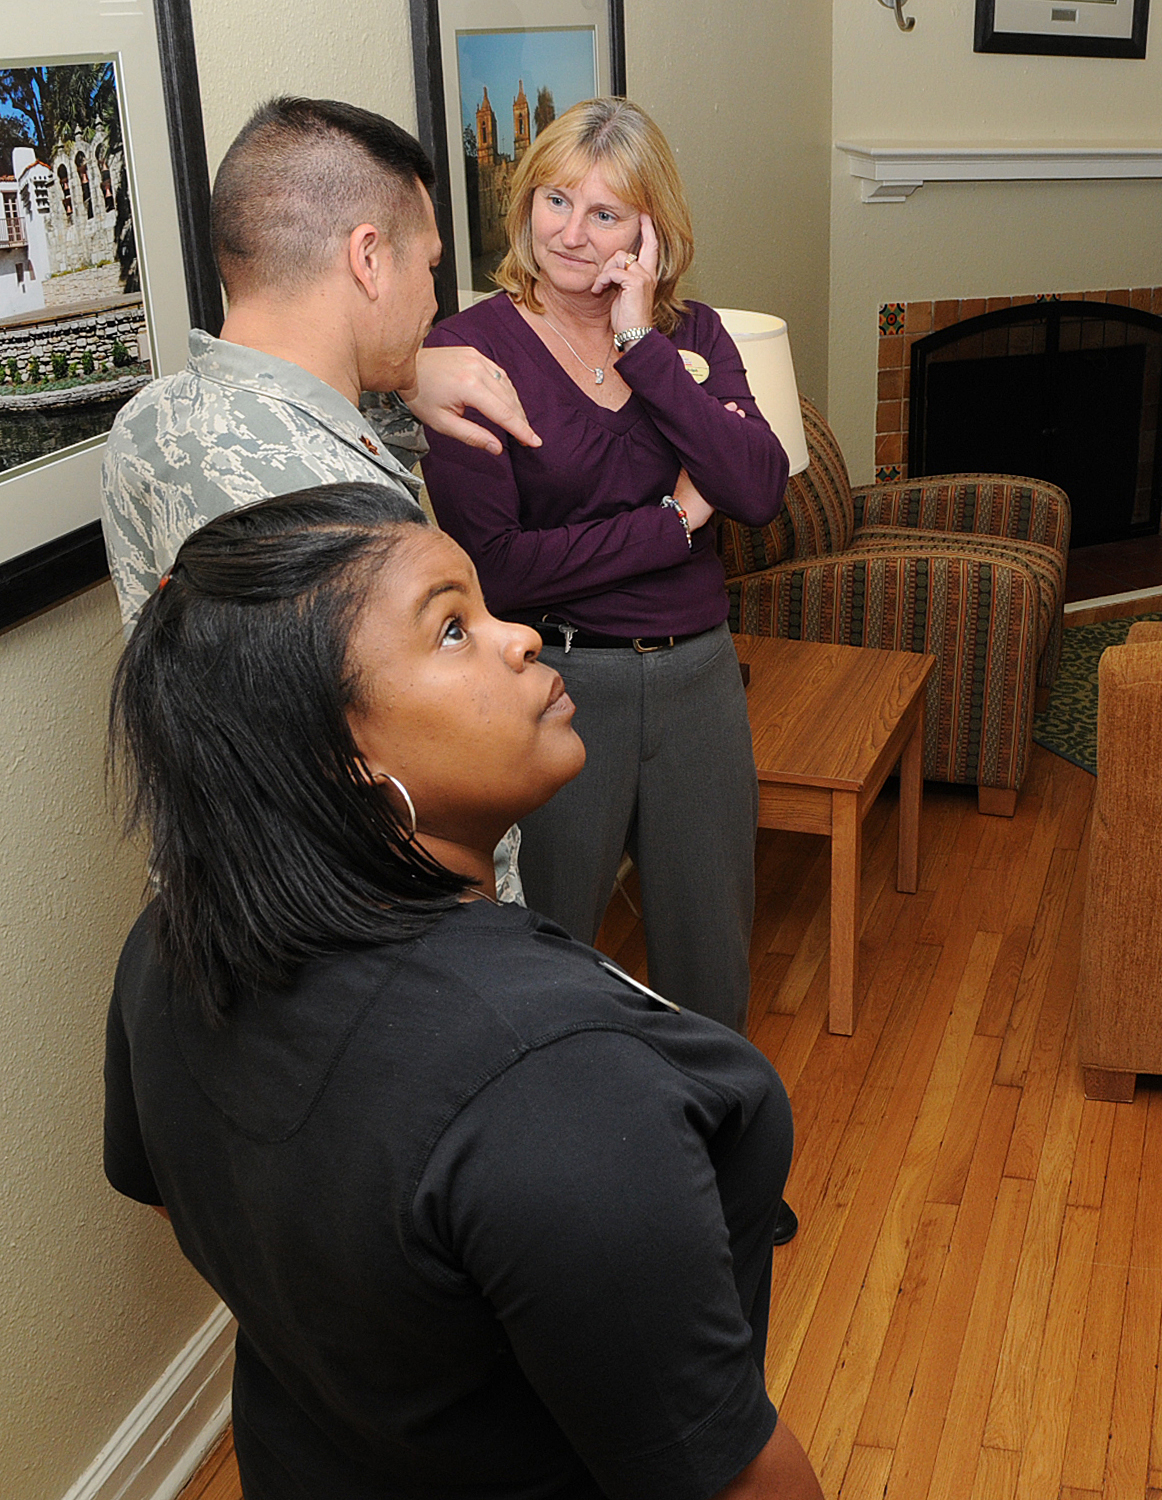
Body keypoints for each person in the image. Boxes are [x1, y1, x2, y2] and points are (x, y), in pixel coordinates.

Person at [103, 484, 821, 1499]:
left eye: (486, 608)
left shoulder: (167, 947)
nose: (521, 637)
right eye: (451, 628)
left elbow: (196, 1213)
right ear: (339, 756)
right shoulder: (556, 1092)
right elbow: (727, 1476)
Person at [418, 98, 788, 1045]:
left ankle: (716, 1155)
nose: (570, 235)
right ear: (525, 203)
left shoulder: (690, 337)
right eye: (553, 201)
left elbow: (755, 487)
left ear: (651, 231)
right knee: (549, 954)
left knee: (712, 959)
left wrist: (643, 346)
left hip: (699, 678)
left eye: (606, 214)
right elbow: (499, 570)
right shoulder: (472, 354)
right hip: (556, 683)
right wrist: (669, 522)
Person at [101, 96, 539, 631]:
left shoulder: (144, 423)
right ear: (369, 260)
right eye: (430, 265)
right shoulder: (356, 514)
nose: (433, 298)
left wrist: (405, 377)